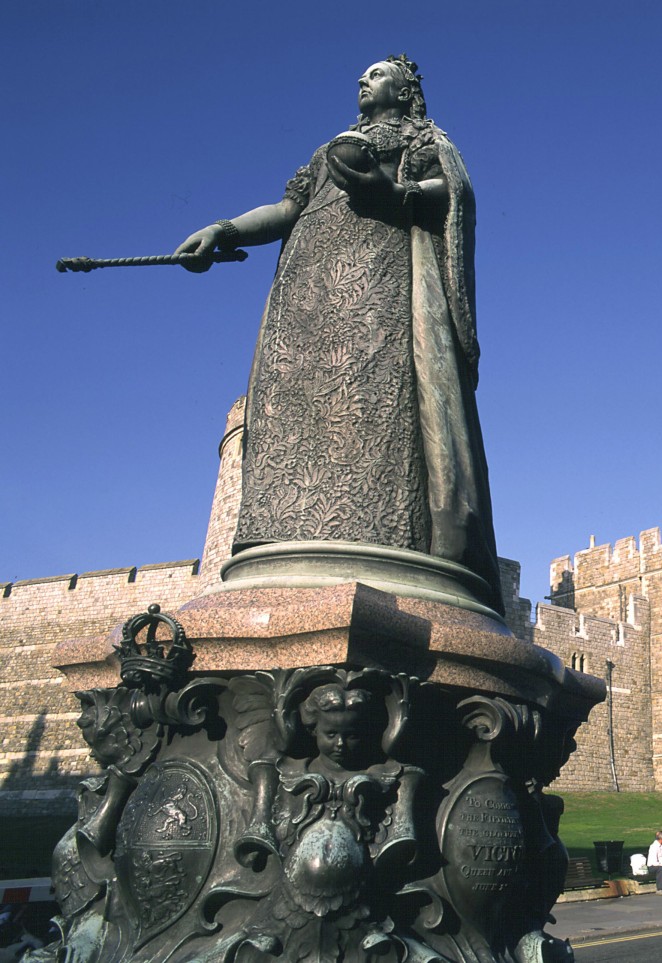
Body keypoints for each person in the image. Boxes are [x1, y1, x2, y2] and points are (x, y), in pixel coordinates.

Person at [175, 56, 504, 613]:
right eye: (362, 76)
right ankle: (283, 539)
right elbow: (286, 210)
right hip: (307, 297)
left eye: (376, 76)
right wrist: (222, 229)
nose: (362, 81)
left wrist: (394, 193)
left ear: (404, 94)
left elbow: (451, 195)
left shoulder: (422, 138)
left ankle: (383, 537)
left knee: (372, 400)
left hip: (381, 286)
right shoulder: (330, 147)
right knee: (296, 412)